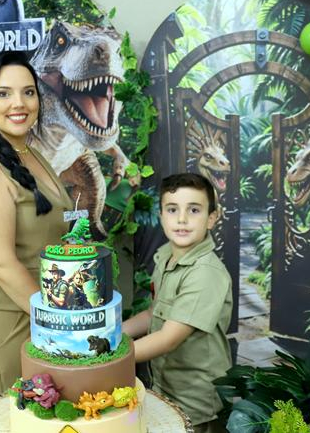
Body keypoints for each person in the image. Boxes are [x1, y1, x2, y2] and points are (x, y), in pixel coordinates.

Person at [0, 51, 74, 399]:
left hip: (42, 309)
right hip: (11, 319)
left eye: (28, 92)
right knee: (16, 417)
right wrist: (57, 321)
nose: (19, 103)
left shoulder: (28, 153)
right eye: (4, 93)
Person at [122, 173, 232, 433]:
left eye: (194, 210)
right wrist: (113, 333)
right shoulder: (166, 257)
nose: (182, 219)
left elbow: (169, 339)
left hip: (195, 403)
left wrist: (109, 357)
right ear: (161, 216)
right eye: (172, 210)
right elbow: (153, 313)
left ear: (212, 218)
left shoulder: (205, 273)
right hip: (164, 388)